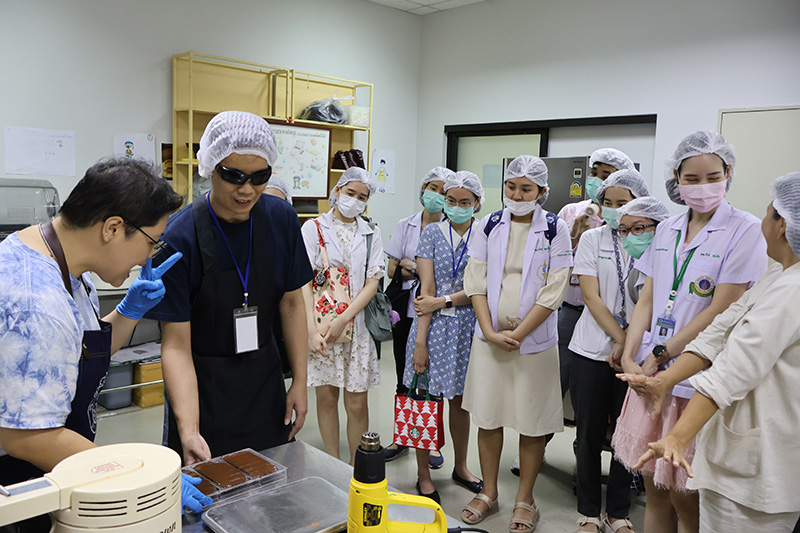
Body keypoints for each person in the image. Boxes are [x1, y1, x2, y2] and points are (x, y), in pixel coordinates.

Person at [0, 158, 210, 517]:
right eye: (151, 242)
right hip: (18, 479)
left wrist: (129, 309)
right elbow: (25, 437)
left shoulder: (63, 262)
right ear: (112, 228)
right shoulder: (36, 301)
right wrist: (133, 471)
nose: (148, 255)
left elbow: (78, 353)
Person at [621, 172, 800, 532]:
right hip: (733, 448)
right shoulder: (776, 276)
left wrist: (678, 436)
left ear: (782, 226)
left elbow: (733, 369)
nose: (762, 220)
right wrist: (665, 378)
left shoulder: (791, 292)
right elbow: (720, 329)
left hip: (758, 472)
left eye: (769, 213)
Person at [146, 111, 312, 465]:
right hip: (203, 388)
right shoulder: (178, 238)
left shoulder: (282, 219)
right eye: (233, 176)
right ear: (209, 167)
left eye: (259, 177)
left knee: (268, 486)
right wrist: (189, 429)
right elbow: (175, 345)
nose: (247, 189)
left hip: (264, 378)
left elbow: (292, 305)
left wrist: (299, 380)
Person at [461, 155, 572, 532]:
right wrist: (490, 331)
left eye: (526, 189)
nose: (517, 194)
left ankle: (525, 499)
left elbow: (555, 288)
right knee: (489, 416)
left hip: (535, 342)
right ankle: (488, 492)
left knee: (532, 420)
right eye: (511, 187)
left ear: (542, 191)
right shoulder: (489, 224)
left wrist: (521, 332)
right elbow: (475, 278)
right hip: (490, 339)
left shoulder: (556, 228)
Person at [567, 171, 666, 533]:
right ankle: (590, 511)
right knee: (589, 432)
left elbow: (654, 300)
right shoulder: (592, 238)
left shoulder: (654, 241)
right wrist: (622, 338)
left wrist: (629, 345)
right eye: (606, 203)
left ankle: (619, 512)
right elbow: (591, 296)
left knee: (628, 434)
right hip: (591, 348)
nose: (612, 210)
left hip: (638, 356)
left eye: (621, 203)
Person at [404, 171, 485, 503]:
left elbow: (482, 286)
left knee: (460, 403)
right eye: (451, 201)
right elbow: (427, 292)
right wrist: (420, 343)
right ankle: (424, 474)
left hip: (469, 326)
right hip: (432, 327)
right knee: (425, 400)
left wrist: (447, 301)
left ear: (477, 203)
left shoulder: (485, 234)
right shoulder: (432, 233)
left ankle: (461, 467)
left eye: (464, 202)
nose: (456, 207)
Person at [300, 167, 384, 465]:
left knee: (357, 401)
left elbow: (372, 282)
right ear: (336, 192)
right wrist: (311, 332)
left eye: (363, 197)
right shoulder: (313, 229)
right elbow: (303, 282)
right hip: (321, 326)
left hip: (356, 326)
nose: (355, 200)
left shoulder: (371, 232)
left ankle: (356, 466)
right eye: (350, 193)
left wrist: (343, 319)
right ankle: (333, 462)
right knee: (326, 397)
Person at [383, 166, 451, 467]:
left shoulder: (451, 229)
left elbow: (440, 274)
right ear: (423, 189)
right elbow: (391, 269)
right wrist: (418, 268)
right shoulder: (405, 225)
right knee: (404, 375)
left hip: (435, 312)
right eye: (431, 188)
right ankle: (402, 436)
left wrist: (412, 265)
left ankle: (432, 443)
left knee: (433, 380)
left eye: (442, 191)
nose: (435, 195)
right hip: (405, 312)